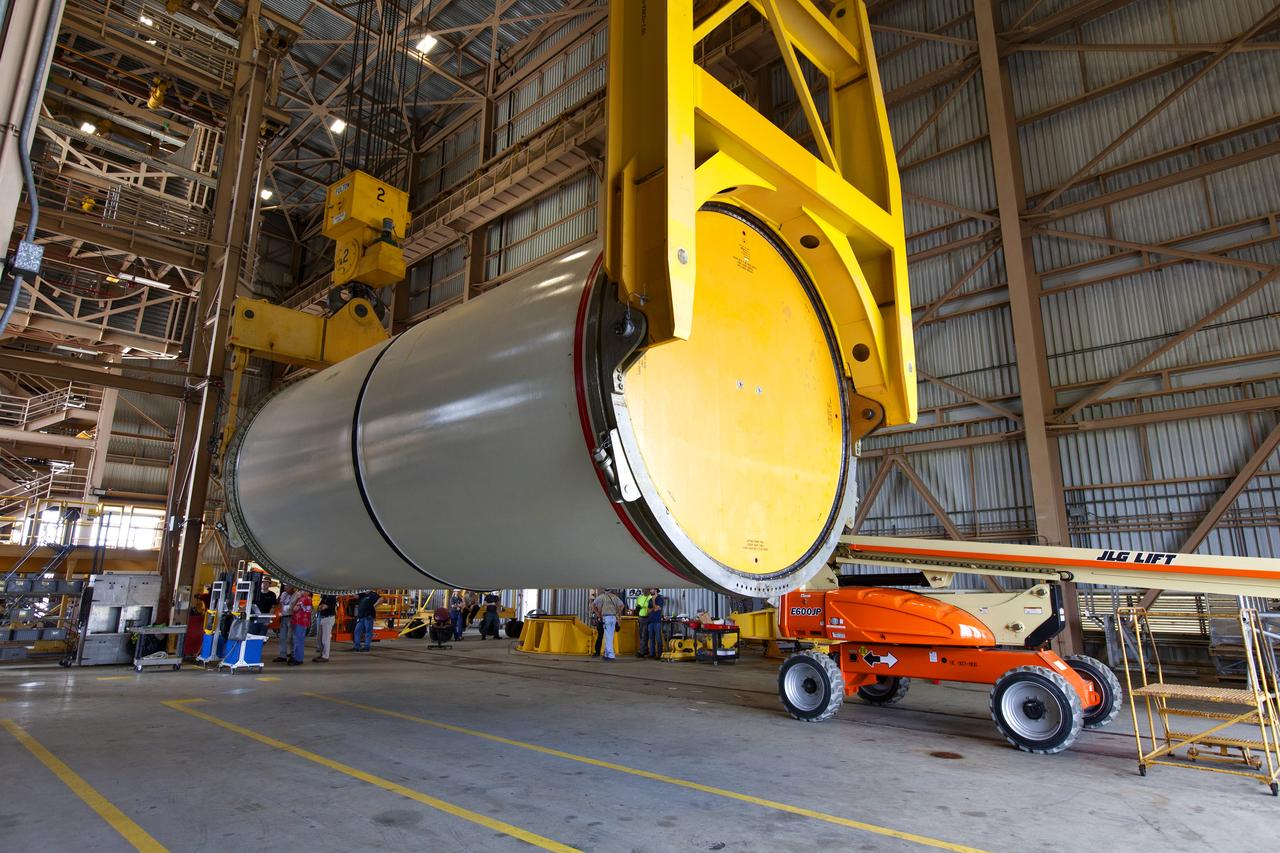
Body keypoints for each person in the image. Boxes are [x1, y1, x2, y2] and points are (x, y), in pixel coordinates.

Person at [591, 588, 624, 661]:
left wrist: (597, 614)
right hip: (613, 617)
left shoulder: (601, 597)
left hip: (606, 618)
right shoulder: (615, 597)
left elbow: (593, 605)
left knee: (608, 637)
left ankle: (611, 655)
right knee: (610, 636)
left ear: (604, 590)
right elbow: (622, 605)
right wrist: (618, 613)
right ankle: (606, 654)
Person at [288, 592, 313, 666]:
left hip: (301, 622)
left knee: (298, 640)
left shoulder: (305, 599)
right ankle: (295, 656)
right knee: (296, 640)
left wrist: (296, 599)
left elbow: (294, 608)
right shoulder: (301, 599)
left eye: (301, 590)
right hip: (297, 621)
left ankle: (298, 659)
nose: (299, 592)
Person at [273, 585, 296, 663]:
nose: (285, 588)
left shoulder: (296, 595)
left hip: (292, 617)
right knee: (282, 637)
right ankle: (282, 655)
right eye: (285, 586)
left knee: (291, 637)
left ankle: (292, 654)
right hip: (283, 617)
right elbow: (281, 604)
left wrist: (285, 607)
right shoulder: (284, 594)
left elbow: (291, 606)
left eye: (288, 587)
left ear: (292, 587)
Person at [643, 588, 666, 660]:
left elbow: (656, 609)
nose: (650, 591)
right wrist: (653, 607)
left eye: (652, 589)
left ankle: (659, 654)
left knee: (658, 638)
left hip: (657, 621)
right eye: (650, 589)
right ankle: (652, 654)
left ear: (656, 590)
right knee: (651, 638)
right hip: (650, 621)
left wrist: (653, 600)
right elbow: (648, 611)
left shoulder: (660, 599)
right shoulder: (650, 599)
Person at [314, 594, 337, 662]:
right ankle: (322, 654)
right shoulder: (324, 596)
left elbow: (324, 607)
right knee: (320, 638)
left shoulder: (331, 596)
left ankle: (325, 656)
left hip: (328, 618)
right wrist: (321, 606)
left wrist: (321, 606)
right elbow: (319, 607)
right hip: (323, 618)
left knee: (325, 639)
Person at [634, 589, 652, 657]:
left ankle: (642, 651)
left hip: (647, 618)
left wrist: (643, 607)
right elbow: (637, 605)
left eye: (645, 589)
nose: (643, 591)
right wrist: (637, 608)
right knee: (641, 635)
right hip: (640, 618)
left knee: (644, 635)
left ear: (648, 590)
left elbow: (651, 607)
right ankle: (645, 650)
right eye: (643, 589)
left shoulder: (650, 597)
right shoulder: (640, 597)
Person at [588, 588, 603, 657]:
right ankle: (608, 653)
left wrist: (597, 614)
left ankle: (597, 652)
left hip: (601, 619)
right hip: (608, 619)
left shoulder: (599, 598)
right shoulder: (613, 597)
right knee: (608, 637)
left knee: (600, 636)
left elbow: (593, 605)